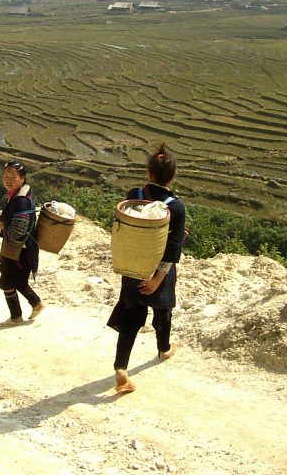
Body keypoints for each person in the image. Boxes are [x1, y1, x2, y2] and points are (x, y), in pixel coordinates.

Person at [107, 143, 186, 393]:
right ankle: (163, 349)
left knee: (131, 317)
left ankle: (121, 367)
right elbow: (172, 248)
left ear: (148, 173)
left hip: (132, 266)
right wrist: (158, 277)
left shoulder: (135, 194)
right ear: (172, 177)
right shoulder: (176, 206)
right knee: (162, 312)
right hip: (159, 271)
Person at [0, 160, 44, 326]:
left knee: (6, 282)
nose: (8, 179)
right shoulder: (19, 195)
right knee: (17, 281)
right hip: (21, 249)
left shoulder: (20, 200)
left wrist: (1, 224)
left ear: (22, 178)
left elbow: (17, 232)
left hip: (19, 251)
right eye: (6, 176)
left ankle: (17, 316)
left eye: (13, 176)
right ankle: (35, 305)